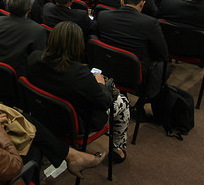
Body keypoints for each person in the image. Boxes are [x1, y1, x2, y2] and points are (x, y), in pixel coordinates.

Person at [27, 21, 130, 163]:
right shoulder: (79, 74)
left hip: (42, 116)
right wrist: (101, 84)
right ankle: (118, 148)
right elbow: (104, 102)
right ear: (77, 46)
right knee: (123, 102)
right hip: (74, 125)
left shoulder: (34, 58)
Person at [96, 0, 169, 99]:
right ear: (142, 4)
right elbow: (163, 54)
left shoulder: (103, 16)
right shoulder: (150, 23)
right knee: (164, 68)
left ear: (122, 2)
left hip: (105, 67)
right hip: (134, 75)